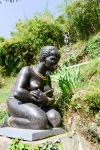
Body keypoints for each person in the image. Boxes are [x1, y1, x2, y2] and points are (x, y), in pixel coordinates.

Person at [7, 46, 61, 130]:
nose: (56, 64)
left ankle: (36, 123)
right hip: (17, 101)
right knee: (40, 121)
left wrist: (46, 100)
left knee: (55, 119)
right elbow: (17, 92)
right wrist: (31, 96)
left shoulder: (47, 78)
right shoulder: (27, 70)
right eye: (53, 59)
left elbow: (51, 98)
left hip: (35, 105)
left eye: (57, 61)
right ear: (43, 58)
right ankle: (11, 121)